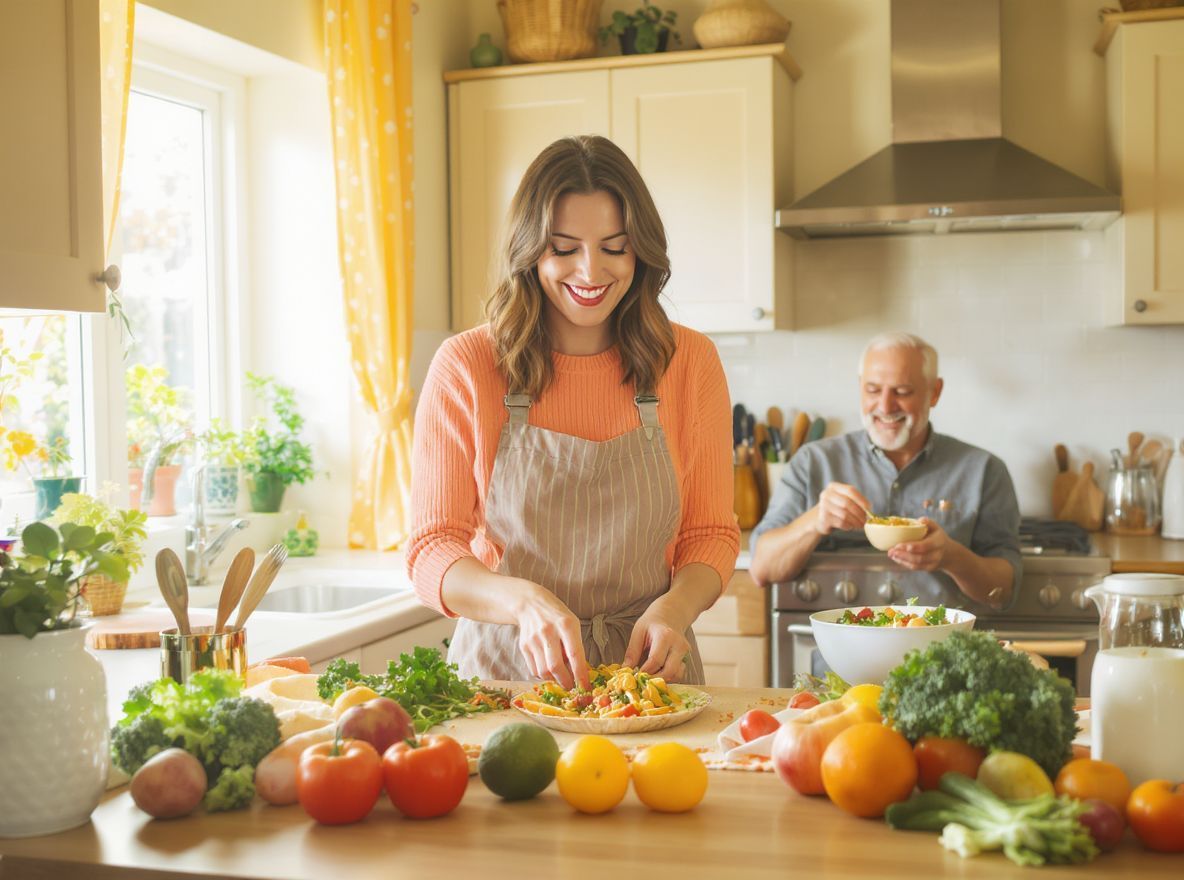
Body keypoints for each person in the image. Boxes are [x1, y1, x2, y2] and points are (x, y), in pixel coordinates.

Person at [407, 135, 739, 690]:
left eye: (614, 246)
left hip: (648, 680)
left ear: (642, 249)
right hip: (504, 678)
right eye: (564, 248)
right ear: (529, 249)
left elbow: (710, 534)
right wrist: (522, 602)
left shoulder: (688, 361)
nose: (590, 272)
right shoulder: (467, 365)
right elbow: (431, 548)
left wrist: (675, 610)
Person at [749, 332, 1020, 610]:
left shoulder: (984, 470)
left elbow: (1003, 590)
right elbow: (762, 569)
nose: (885, 406)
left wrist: (951, 557)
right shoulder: (813, 462)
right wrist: (814, 521)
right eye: (873, 390)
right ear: (859, 387)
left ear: (934, 392)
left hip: (941, 651)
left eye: (902, 392)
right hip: (838, 652)